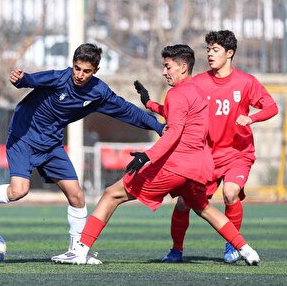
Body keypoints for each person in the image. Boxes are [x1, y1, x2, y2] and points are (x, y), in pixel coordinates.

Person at [52, 44, 260, 266]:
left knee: (112, 194)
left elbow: (174, 132)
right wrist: (148, 103)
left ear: (182, 67)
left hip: (174, 166)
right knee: (204, 209)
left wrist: (146, 156)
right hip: (196, 168)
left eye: (167, 66)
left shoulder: (177, 93)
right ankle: (247, 250)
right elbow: (181, 118)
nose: (164, 71)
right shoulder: (198, 91)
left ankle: (80, 250)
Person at [0, 43, 165, 264]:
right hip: (23, 137)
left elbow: (126, 110)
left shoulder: (99, 92)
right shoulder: (60, 79)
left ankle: (75, 250)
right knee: (18, 191)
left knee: (77, 196)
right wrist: (21, 79)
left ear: (95, 71)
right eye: (77, 68)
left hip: (51, 144)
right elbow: (33, 80)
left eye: (86, 71)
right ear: (72, 64)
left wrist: (159, 127)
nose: (79, 75)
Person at [160, 30, 278, 263]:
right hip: (206, 156)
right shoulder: (199, 82)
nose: (210, 55)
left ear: (230, 53)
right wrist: (151, 105)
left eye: (215, 50)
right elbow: (177, 106)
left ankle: (232, 246)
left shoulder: (246, 82)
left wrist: (251, 118)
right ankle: (176, 250)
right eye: (208, 50)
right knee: (184, 203)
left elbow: (271, 107)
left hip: (238, 153)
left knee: (231, 193)